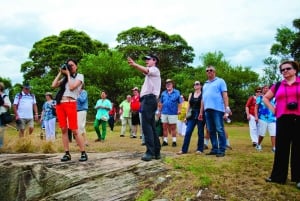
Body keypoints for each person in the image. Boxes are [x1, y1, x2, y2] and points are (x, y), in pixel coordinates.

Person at [263, 60, 300, 189]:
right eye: (282, 70)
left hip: (298, 118)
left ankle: (298, 178)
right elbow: (265, 98)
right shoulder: (278, 85)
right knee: (281, 149)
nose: (285, 71)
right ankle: (278, 177)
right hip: (283, 118)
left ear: (295, 70)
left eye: (288, 68)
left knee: (298, 149)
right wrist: (274, 110)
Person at [51, 58, 88, 162]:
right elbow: (53, 85)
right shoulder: (64, 79)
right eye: (68, 65)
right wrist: (60, 73)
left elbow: (72, 87)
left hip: (71, 103)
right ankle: (67, 153)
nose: (70, 67)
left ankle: (83, 152)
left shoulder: (79, 76)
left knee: (75, 130)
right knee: (63, 129)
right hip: (60, 104)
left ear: (76, 66)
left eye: (72, 65)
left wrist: (67, 74)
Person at [128, 53, 161, 161]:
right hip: (149, 100)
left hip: (149, 99)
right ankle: (156, 152)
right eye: (145, 59)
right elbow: (144, 71)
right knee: (151, 126)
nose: (146, 61)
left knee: (146, 127)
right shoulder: (150, 73)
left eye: (148, 59)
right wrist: (137, 66)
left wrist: (135, 64)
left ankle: (150, 152)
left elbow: (146, 70)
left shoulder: (154, 70)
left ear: (154, 60)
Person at [199, 65, 231, 157]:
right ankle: (215, 148)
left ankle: (222, 149)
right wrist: (201, 112)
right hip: (207, 110)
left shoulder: (220, 81)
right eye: (207, 70)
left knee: (219, 129)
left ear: (214, 72)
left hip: (217, 109)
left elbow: (225, 95)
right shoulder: (205, 84)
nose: (209, 71)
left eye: (211, 70)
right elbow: (203, 99)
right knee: (211, 130)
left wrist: (227, 108)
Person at [177, 81, 205, 154]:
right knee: (188, 131)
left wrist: (201, 113)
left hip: (200, 114)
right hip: (191, 114)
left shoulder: (203, 94)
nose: (195, 85)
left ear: (200, 86)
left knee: (200, 132)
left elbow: (202, 104)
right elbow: (188, 105)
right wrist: (186, 116)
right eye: (194, 84)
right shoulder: (191, 94)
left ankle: (200, 149)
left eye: (197, 84)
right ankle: (184, 150)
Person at [159, 79, 182, 147]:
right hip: (164, 112)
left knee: (173, 127)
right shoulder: (163, 93)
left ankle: (174, 141)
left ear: (172, 84)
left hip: (173, 112)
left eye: (169, 83)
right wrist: (159, 111)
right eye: (167, 84)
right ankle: (165, 141)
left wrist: (179, 110)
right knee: (164, 127)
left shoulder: (177, 92)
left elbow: (180, 102)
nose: (168, 85)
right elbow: (161, 103)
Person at [255, 85, 276, 152]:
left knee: (273, 133)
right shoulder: (260, 98)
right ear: (262, 90)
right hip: (262, 117)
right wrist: (256, 116)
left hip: (272, 118)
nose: (266, 89)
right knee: (262, 133)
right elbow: (256, 107)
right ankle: (258, 144)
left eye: (267, 88)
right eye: (264, 88)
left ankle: (273, 147)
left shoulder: (274, 98)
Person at [0, 82, 12, 148]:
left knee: (1, 131)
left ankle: (0, 147)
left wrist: (2, 103)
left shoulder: (4, 96)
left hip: (2, 115)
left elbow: (9, 105)